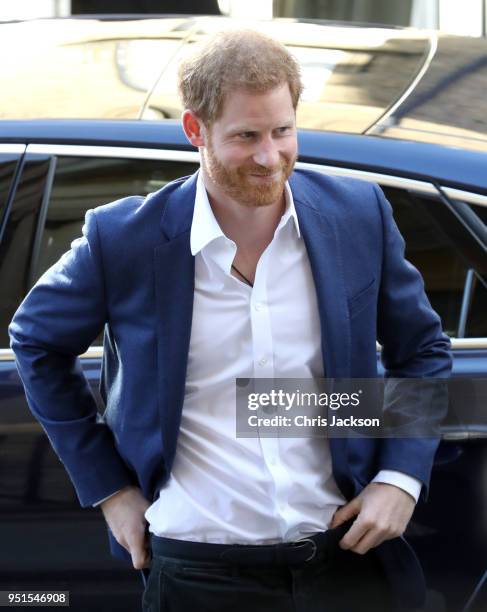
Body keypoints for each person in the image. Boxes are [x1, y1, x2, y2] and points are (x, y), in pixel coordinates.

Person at [9, 29, 451, 612]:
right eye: (246, 136)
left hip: (348, 563)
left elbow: (422, 352)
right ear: (195, 130)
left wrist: (400, 477)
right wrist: (111, 489)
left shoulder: (358, 215)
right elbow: (35, 341)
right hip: (198, 570)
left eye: (283, 131)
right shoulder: (122, 240)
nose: (271, 156)